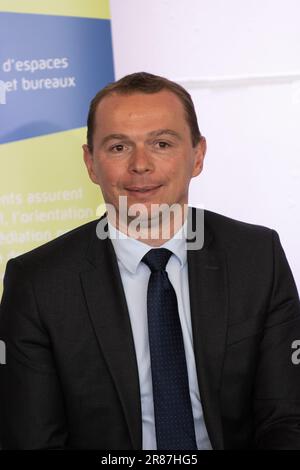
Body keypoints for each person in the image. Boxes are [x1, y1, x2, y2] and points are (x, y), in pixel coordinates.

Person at [0, 72, 300, 450]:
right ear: (91, 163)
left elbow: (286, 419)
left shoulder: (257, 257)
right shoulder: (38, 283)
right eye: (118, 147)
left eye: (161, 143)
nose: (140, 165)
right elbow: (32, 440)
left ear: (198, 155)